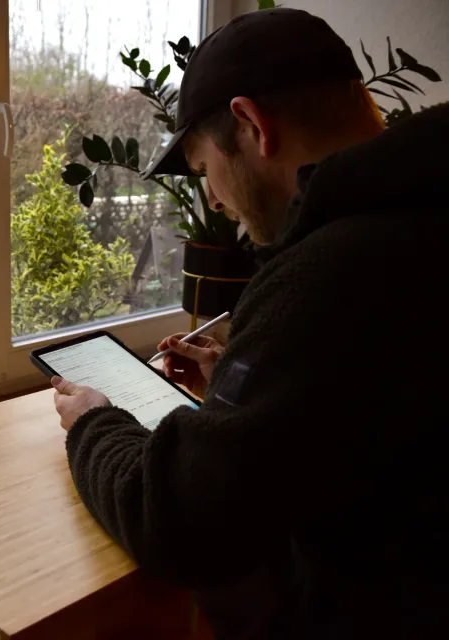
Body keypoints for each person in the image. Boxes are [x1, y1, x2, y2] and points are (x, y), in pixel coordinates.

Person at [51, 8, 449, 639]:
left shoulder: (325, 276)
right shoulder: (425, 213)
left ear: (252, 124)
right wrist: (252, 388)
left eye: (207, 171)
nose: (212, 199)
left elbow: (179, 523)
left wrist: (95, 422)